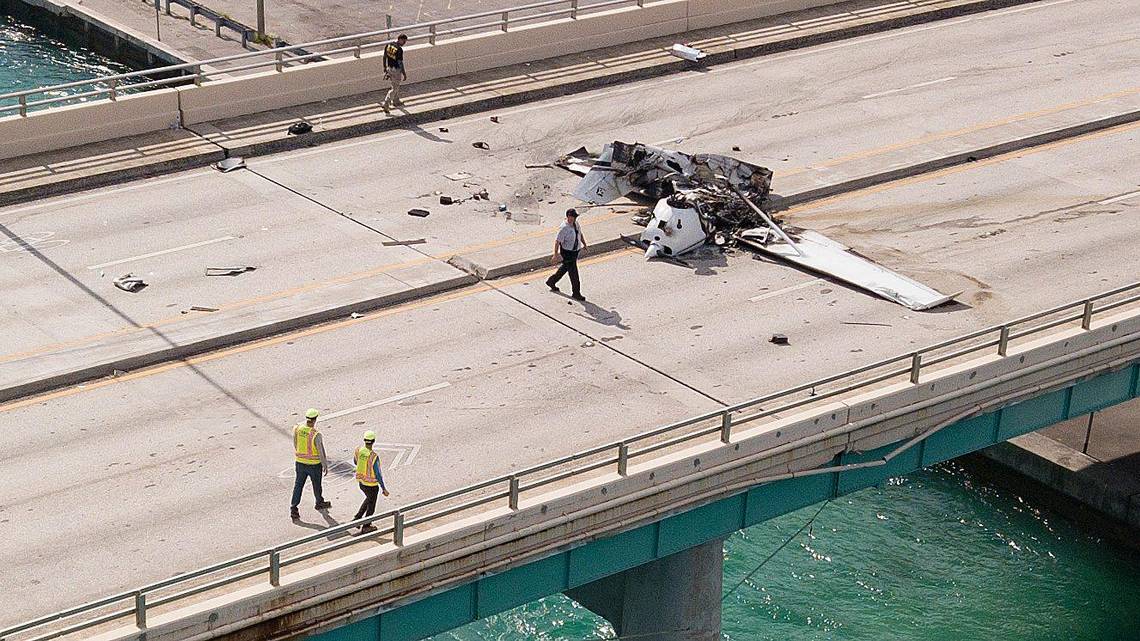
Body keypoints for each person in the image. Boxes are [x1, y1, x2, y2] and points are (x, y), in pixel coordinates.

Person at [290, 408, 331, 520]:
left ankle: (294, 508)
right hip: (314, 465)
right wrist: (325, 465)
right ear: (315, 419)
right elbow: (320, 451)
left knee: (298, 485)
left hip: (300, 463)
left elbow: (295, 443)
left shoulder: (297, 428)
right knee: (317, 485)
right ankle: (319, 502)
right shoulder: (316, 434)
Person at [546, 208, 587, 301]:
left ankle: (551, 281)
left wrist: (584, 244)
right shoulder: (564, 228)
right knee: (574, 274)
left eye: (575, 217)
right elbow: (557, 242)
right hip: (567, 253)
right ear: (568, 216)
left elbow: (579, 234)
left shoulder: (576, 224)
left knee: (565, 267)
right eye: (572, 217)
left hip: (575, 251)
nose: (574, 219)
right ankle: (576, 293)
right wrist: (555, 254)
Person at [353, 430, 389, 533]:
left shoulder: (358, 450)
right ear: (373, 441)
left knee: (368, 499)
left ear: (365, 440)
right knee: (371, 507)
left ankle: (357, 518)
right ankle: (366, 526)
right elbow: (378, 474)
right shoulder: (374, 457)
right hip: (372, 485)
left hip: (361, 482)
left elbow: (355, 461)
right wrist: (383, 488)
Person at [381, 34, 408, 112]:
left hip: (389, 68)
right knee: (395, 88)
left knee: (394, 85)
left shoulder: (389, 45)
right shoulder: (399, 50)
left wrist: (384, 67)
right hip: (396, 70)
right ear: (399, 39)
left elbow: (384, 56)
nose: (404, 43)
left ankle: (396, 101)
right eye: (404, 41)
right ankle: (386, 103)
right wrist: (404, 73)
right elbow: (400, 62)